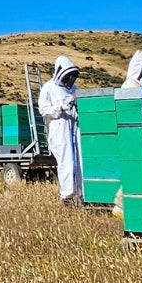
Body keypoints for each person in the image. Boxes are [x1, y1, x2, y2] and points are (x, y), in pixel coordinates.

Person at [39, 55, 81, 204]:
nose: (69, 78)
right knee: (66, 163)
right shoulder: (48, 88)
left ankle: (80, 196)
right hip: (59, 129)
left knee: (79, 161)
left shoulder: (73, 89)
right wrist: (60, 108)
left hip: (75, 127)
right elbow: (43, 109)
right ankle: (67, 197)